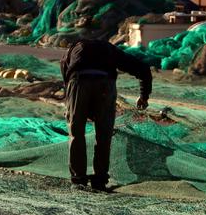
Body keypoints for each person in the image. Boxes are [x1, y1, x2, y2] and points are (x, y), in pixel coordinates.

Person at [60, 39, 152, 191]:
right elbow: (142, 68)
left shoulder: (71, 51)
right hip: (105, 85)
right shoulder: (109, 50)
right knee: (104, 133)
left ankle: (78, 180)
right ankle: (100, 179)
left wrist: (75, 104)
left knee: (76, 132)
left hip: (78, 82)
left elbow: (67, 78)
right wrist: (144, 96)